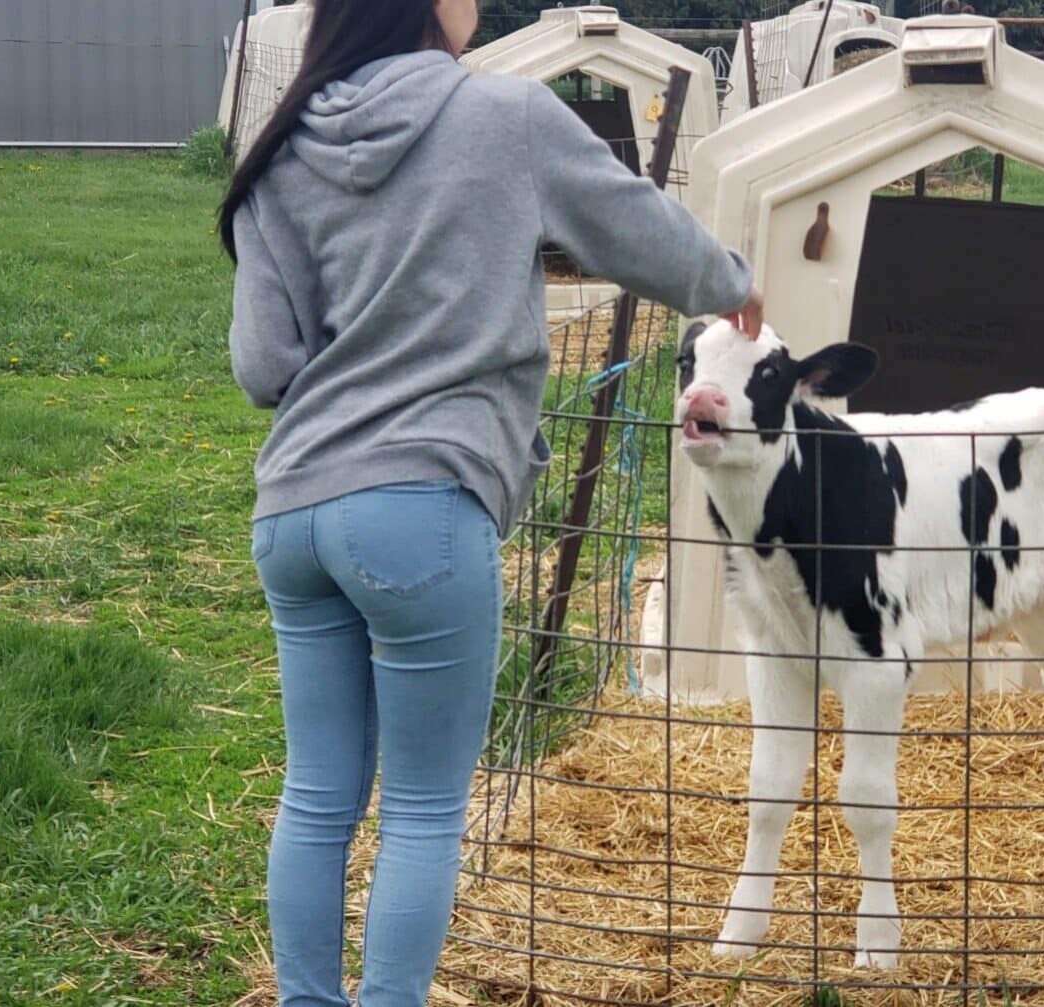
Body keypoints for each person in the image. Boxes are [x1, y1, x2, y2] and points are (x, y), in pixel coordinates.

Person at [218, 1, 762, 1004]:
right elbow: (643, 232)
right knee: (424, 806)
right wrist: (732, 282)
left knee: (318, 791)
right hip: (424, 506)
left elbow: (263, 366)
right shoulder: (508, 118)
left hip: (293, 511)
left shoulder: (278, 146)